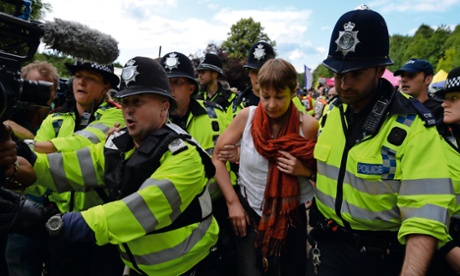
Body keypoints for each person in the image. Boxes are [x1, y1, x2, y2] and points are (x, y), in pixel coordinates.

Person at [0, 56, 220, 276]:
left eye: (138, 101)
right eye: (125, 101)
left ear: (164, 107)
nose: (128, 110)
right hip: (138, 267)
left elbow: (134, 212)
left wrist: (50, 223)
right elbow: (70, 167)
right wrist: (22, 160)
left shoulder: (185, 155)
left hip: (188, 267)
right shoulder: (120, 144)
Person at [308, 6, 453, 276]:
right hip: (328, 246)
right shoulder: (331, 112)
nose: (343, 84)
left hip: (382, 257)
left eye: (355, 74)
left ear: (379, 70)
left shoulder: (414, 126)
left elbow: (425, 217)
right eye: (339, 73)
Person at [5, 61, 125, 276]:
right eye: (78, 76)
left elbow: (86, 142)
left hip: (102, 225)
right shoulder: (54, 118)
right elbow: (37, 168)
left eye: (91, 77)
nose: (81, 81)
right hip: (61, 225)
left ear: (106, 87)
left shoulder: (117, 115)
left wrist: (26, 148)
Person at [212, 58, 318, 275]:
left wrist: (305, 171)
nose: (271, 104)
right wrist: (233, 203)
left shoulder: (307, 126)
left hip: (291, 219)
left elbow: (324, 175)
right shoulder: (246, 118)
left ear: (294, 91)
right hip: (249, 213)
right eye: (265, 96)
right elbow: (217, 159)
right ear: (257, 89)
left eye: (279, 97)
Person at [160, 51, 237, 274]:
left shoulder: (217, 116)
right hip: (170, 218)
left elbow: (241, 152)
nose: (170, 88)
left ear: (191, 87)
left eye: (177, 82)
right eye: (166, 82)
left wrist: (238, 152)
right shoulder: (153, 119)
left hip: (215, 212)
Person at [426, 67, 460, 275]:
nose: (444, 104)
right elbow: (420, 201)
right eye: (445, 97)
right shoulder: (432, 140)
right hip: (444, 245)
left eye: (454, 98)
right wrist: (448, 248)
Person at [4, 61, 60, 140]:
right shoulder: (8, 110)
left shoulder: (60, 121)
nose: (38, 94)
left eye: (45, 89)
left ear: (55, 93)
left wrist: (31, 138)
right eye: (32, 87)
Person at [394, 58, 444, 126]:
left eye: (411, 75)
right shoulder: (395, 107)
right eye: (402, 76)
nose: (403, 80)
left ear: (428, 79)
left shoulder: (441, 110)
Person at [233, 41, 276, 110]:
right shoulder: (235, 103)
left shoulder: (288, 100)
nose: (259, 76)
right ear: (249, 73)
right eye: (254, 72)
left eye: (263, 71)